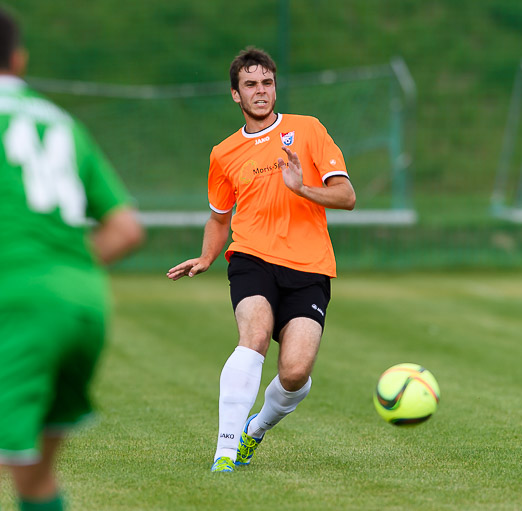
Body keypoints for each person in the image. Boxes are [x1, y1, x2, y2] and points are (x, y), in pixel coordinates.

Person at [167, 47, 355, 473]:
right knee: (253, 336)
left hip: (309, 266)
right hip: (251, 258)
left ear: (275, 87)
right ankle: (225, 452)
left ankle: (255, 429)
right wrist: (207, 256)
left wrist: (302, 188)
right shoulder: (224, 153)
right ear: (236, 94)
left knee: (295, 372)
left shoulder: (308, 130)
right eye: (250, 84)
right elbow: (220, 217)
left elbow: (346, 196)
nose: (261, 91)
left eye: (267, 83)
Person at [0, 7, 145, 511]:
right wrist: (57, 269)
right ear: (19, 59)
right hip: (82, 302)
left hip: (15, 301)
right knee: (34, 479)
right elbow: (126, 230)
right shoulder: (60, 121)